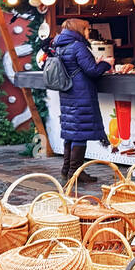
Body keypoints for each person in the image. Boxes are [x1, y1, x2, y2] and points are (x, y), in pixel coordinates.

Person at [49, 17, 113, 182]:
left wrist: (94, 62)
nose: (88, 32)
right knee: (79, 134)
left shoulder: (60, 46)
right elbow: (92, 71)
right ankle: (75, 173)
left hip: (68, 93)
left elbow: (77, 66)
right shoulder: (78, 46)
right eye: (86, 29)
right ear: (79, 30)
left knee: (72, 133)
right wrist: (106, 63)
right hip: (81, 93)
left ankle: (67, 169)